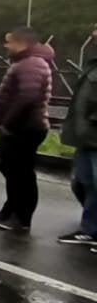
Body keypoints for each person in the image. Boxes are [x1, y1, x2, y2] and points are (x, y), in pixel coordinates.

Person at [0, 27, 55, 234]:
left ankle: (22, 218)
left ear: (22, 43)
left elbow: (27, 96)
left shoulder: (32, 63)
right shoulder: (24, 62)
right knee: (11, 170)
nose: (6, 46)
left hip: (24, 128)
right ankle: (10, 210)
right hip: (17, 128)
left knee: (22, 174)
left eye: (10, 42)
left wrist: (7, 123)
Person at [59, 22, 97, 247]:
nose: (93, 32)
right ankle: (90, 230)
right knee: (85, 183)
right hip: (86, 137)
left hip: (94, 135)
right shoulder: (93, 63)